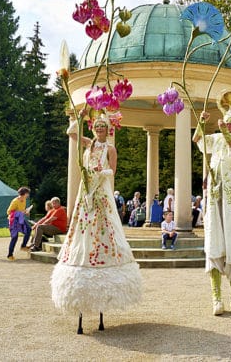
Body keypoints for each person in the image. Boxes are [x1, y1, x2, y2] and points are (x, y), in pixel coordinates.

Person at [51, 114, 142, 333]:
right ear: (94, 128)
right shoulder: (88, 143)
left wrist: (103, 172)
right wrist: (81, 117)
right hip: (86, 192)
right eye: (97, 126)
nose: (100, 129)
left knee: (104, 228)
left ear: (108, 130)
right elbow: (71, 133)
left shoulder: (110, 148)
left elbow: (113, 170)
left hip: (100, 191)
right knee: (82, 227)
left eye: (103, 126)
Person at [193, 109, 231, 315]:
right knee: (214, 240)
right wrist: (201, 121)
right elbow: (197, 140)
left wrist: (224, 131)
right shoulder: (216, 138)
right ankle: (216, 298)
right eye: (226, 122)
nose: (229, 125)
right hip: (215, 189)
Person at [6, 186, 32, 261]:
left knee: (28, 229)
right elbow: (9, 212)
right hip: (13, 221)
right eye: (27, 194)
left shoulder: (24, 200)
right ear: (24, 194)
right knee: (14, 237)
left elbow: (22, 210)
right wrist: (21, 212)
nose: (28, 195)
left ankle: (23, 246)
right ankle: (10, 255)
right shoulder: (15, 201)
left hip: (20, 220)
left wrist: (26, 212)